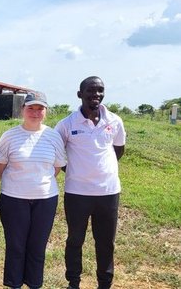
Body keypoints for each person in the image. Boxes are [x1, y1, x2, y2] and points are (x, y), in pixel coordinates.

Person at [54, 76, 126, 289]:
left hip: (109, 192)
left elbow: (118, 150)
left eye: (100, 90)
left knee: (106, 242)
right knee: (75, 240)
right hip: (77, 193)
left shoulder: (114, 121)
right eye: (91, 91)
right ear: (80, 94)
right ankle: (73, 283)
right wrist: (78, 169)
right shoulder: (66, 124)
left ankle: (104, 283)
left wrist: (100, 170)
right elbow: (59, 155)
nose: (96, 95)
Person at [0, 91, 67, 289]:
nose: (35, 112)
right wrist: (18, 183)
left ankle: (34, 284)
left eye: (40, 108)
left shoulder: (53, 136)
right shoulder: (10, 136)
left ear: (46, 111)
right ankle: (14, 283)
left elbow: (57, 167)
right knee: (16, 246)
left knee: (37, 247)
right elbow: (0, 165)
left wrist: (38, 184)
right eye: (31, 108)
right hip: (14, 199)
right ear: (22, 110)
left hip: (45, 200)